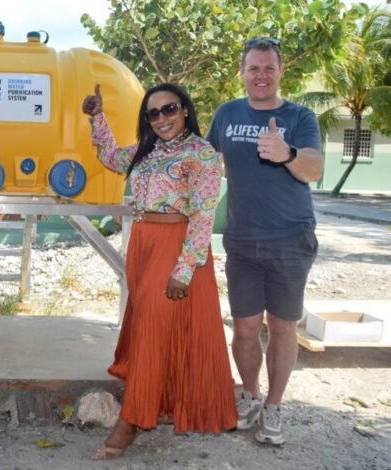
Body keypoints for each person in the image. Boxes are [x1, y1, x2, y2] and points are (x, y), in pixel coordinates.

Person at [82, 83, 237, 459]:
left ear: (185, 109)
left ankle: (131, 422)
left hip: (174, 245)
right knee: (149, 329)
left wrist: (184, 269)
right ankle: (153, 402)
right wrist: (96, 118)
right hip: (144, 244)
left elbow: (203, 214)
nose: (162, 118)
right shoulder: (147, 151)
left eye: (169, 109)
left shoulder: (200, 153)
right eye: (153, 113)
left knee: (152, 330)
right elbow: (112, 158)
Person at [207, 37, 323, 446]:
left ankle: (274, 406)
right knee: (244, 327)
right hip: (240, 240)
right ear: (242, 72)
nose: (261, 75)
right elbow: (203, 161)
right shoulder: (227, 114)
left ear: (280, 72)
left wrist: (287, 153)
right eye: (253, 68)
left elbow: (314, 170)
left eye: (268, 68)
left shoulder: (300, 116)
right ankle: (251, 395)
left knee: (283, 326)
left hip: (291, 238)